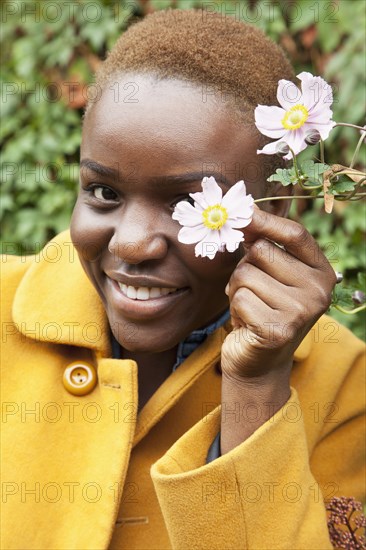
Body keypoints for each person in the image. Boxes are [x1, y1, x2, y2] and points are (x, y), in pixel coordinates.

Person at [1, 9, 365, 550]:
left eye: (191, 203)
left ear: (277, 211)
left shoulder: (345, 387)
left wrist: (258, 389)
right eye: (104, 192)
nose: (130, 243)